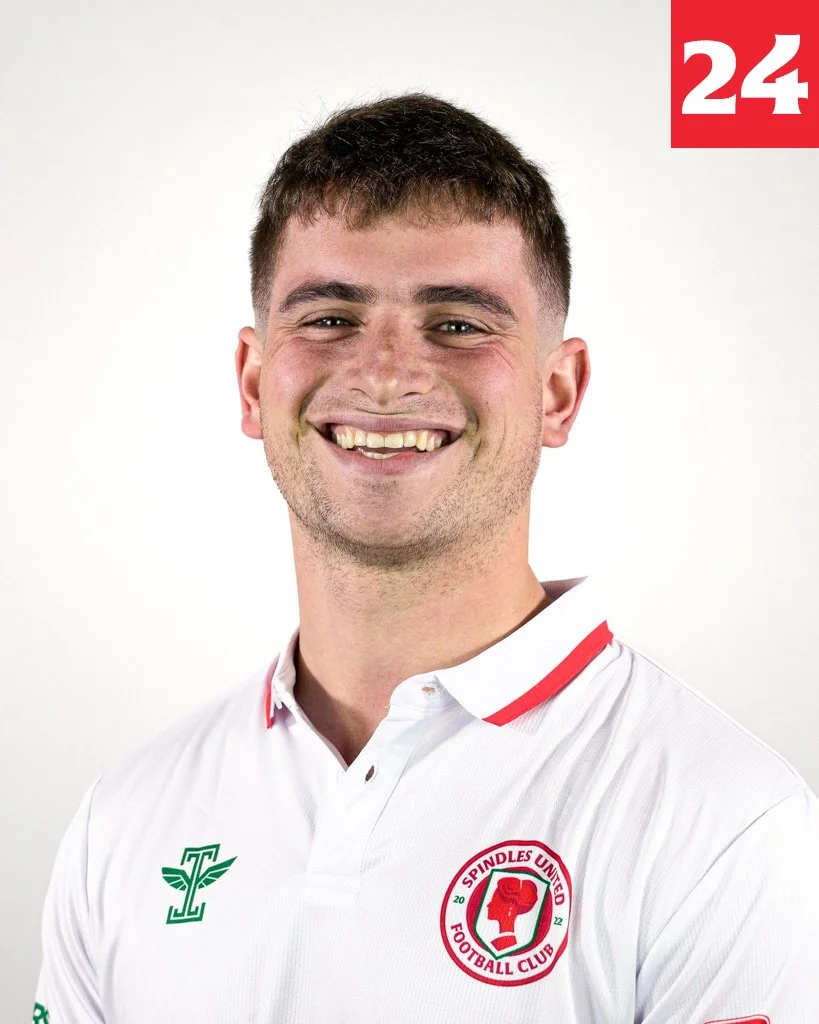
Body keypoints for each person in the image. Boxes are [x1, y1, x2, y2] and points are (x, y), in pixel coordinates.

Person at [33, 91, 819, 1024]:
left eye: (457, 322)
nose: (385, 373)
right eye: (328, 317)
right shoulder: (123, 819)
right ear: (252, 382)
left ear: (557, 394)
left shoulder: (721, 817)